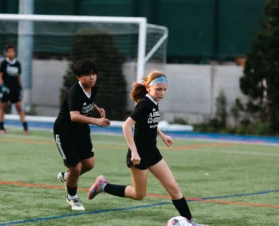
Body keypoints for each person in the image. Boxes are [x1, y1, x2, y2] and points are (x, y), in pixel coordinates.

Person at [87, 71, 208, 226]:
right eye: (159, 89)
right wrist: (135, 151)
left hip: (153, 153)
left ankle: (190, 222)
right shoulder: (144, 104)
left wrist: (162, 134)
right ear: (148, 87)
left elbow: (149, 122)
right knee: (139, 194)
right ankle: (103, 186)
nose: (162, 93)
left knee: (174, 188)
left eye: (165, 89)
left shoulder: (154, 102)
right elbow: (126, 126)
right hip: (138, 156)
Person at [53, 59, 110, 211]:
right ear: (78, 77)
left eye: (93, 74)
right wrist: (96, 120)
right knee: (76, 168)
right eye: (87, 75)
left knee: (89, 164)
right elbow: (74, 116)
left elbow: (89, 100)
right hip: (65, 132)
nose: (91, 78)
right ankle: (72, 197)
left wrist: (97, 108)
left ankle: (67, 176)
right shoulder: (74, 92)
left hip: (82, 130)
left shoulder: (93, 87)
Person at [0, 43, 28, 134]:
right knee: (3, 107)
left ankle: (25, 128)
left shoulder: (17, 63)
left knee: (19, 107)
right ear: (6, 53)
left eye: (13, 51)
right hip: (6, 89)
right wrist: (2, 87)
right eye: (9, 51)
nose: (11, 53)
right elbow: (0, 76)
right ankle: (1, 128)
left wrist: (20, 87)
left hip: (15, 90)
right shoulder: (4, 63)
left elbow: (18, 77)